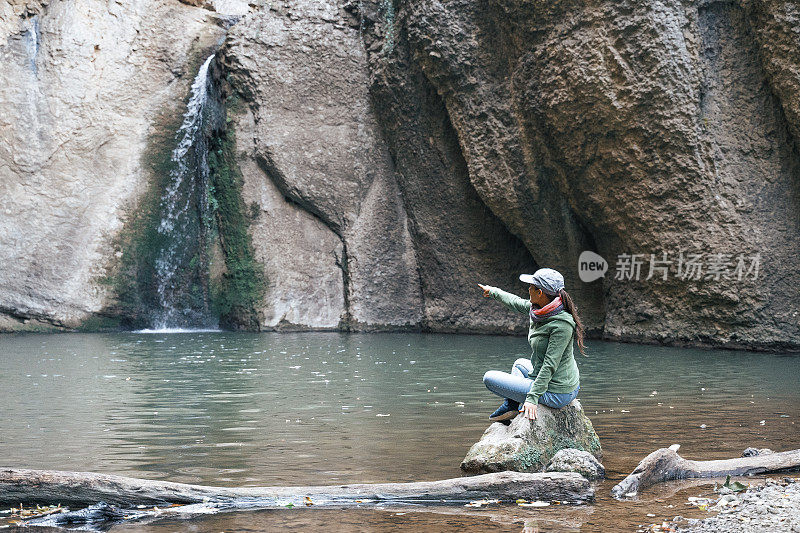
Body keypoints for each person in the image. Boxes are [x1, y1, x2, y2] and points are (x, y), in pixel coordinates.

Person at [478, 268, 586, 422]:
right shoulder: (540, 310)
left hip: (558, 391)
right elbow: (515, 302)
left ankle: (513, 404)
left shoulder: (562, 324)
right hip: (551, 380)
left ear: (540, 293)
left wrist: (532, 398)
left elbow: (550, 364)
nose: (528, 289)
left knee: (489, 378)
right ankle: (512, 405)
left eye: (531, 286)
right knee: (519, 364)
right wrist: (493, 291)